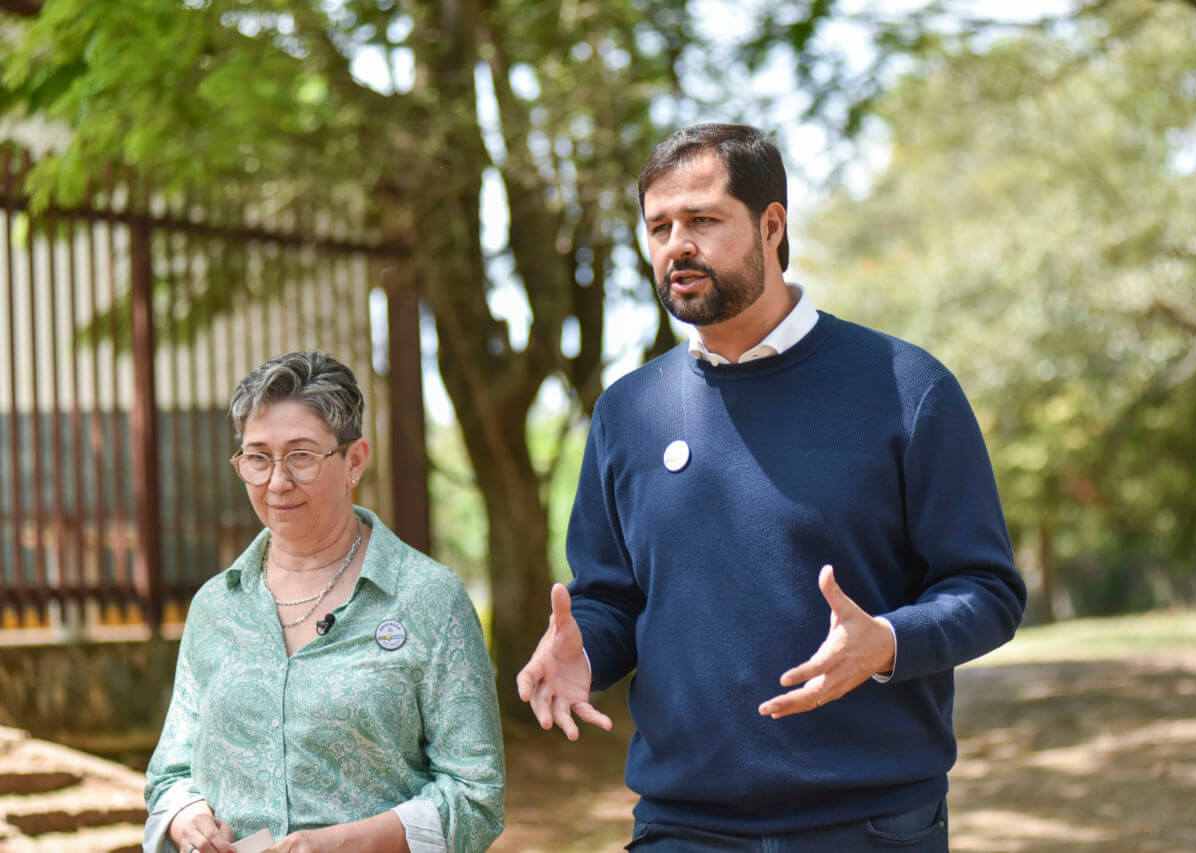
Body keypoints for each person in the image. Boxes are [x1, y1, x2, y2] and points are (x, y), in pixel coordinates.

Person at [516, 124, 1027, 851]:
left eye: (702, 220)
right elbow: (613, 599)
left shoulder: (906, 388)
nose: (677, 245)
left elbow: (987, 589)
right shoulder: (626, 413)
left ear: (772, 225)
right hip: (681, 825)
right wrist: (586, 653)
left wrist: (886, 642)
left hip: (870, 824)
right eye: (659, 227)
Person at [144, 351, 504, 853]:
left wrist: (339, 845)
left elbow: (476, 797)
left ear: (354, 460)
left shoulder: (429, 599)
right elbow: (170, 774)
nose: (277, 482)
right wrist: (187, 817)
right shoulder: (216, 606)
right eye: (258, 458)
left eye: (301, 456)